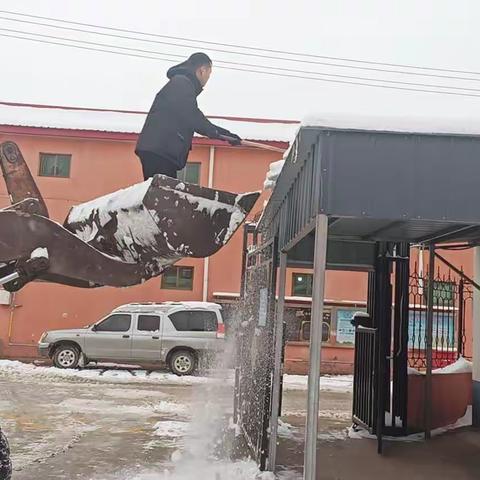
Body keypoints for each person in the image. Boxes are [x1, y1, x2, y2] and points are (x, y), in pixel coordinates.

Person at [136, 52, 242, 180]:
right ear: (202, 70)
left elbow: (191, 115)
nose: (208, 78)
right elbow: (193, 116)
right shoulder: (181, 84)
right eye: (209, 73)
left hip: (161, 150)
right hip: (161, 150)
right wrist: (222, 134)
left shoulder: (182, 84)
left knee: (162, 195)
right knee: (162, 195)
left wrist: (224, 134)